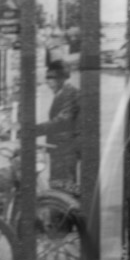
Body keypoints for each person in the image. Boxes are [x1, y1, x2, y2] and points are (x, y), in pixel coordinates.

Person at [34, 58, 81, 192]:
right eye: (47, 78)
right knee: (58, 189)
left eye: (52, 78)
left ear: (62, 78)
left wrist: (33, 130)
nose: (48, 82)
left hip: (66, 151)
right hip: (59, 150)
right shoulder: (62, 93)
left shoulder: (70, 93)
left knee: (64, 193)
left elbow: (63, 121)